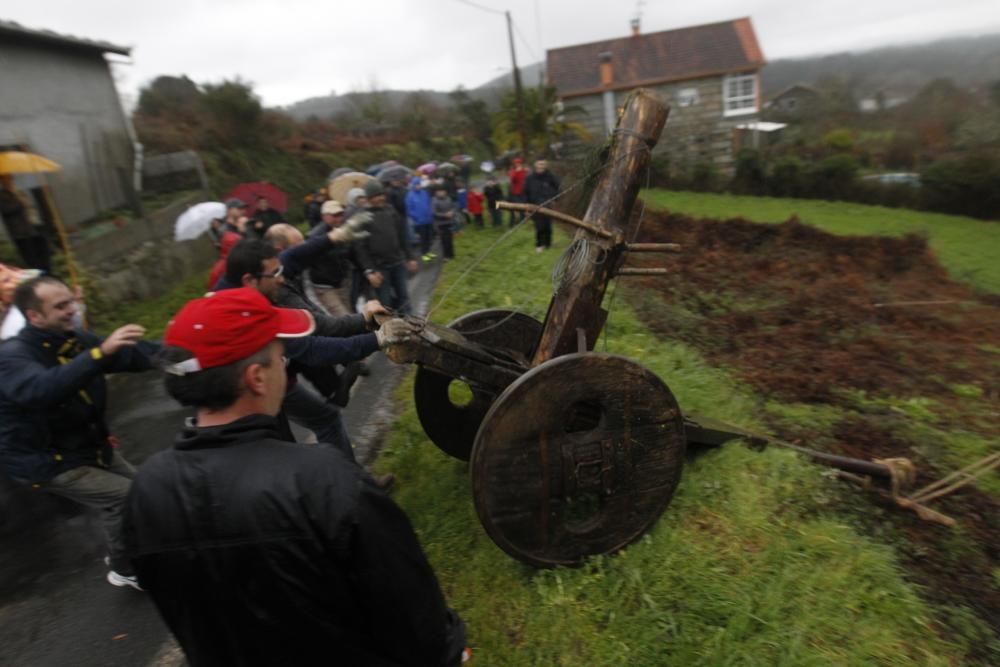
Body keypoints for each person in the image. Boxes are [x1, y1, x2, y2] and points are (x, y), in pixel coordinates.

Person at [125, 288, 467, 666]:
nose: (284, 364)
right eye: (278, 355)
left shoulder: (146, 491)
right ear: (256, 378)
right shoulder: (324, 480)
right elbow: (418, 622)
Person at [0, 275, 156, 589]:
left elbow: (130, 355)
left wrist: (186, 352)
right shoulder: (12, 356)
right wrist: (98, 355)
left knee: (148, 490)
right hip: (48, 460)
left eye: (71, 301)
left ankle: (134, 549)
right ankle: (124, 566)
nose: (72, 309)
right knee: (124, 499)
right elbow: (43, 389)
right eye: (61, 306)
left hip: (87, 444)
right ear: (35, 316)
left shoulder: (73, 339)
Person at [355, 180, 418, 315]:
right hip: (380, 269)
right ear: (369, 198)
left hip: (398, 262)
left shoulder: (391, 210)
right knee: (385, 302)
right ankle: (392, 329)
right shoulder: (362, 218)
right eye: (376, 196)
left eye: (382, 194)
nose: (381, 198)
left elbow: (402, 236)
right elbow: (361, 249)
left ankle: (411, 324)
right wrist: (370, 270)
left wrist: (410, 257)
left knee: (403, 297)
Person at [305, 199, 355, 316]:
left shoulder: (344, 231)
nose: (339, 218)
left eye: (340, 215)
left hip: (342, 282)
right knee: (344, 317)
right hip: (324, 286)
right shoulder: (314, 236)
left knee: (351, 316)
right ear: (324, 216)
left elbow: (350, 253)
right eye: (334, 215)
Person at [0, 174, 51, 273]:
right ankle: (40, 279)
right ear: (2, 181)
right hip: (20, 234)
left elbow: (30, 206)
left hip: (34, 229)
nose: (10, 181)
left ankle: (49, 275)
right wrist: (19, 202)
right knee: (32, 260)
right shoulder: (2, 195)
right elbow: (7, 210)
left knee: (44, 256)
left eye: (11, 178)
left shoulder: (19, 192)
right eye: (7, 179)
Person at [524, 159, 561, 252]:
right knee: (539, 226)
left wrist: (554, 199)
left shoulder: (550, 176)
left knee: (548, 225)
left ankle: (548, 243)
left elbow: (558, 188)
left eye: (543, 164)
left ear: (546, 165)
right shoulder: (530, 178)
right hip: (535, 204)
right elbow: (526, 192)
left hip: (547, 204)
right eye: (539, 164)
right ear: (535, 164)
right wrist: (527, 207)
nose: (541, 166)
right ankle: (539, 244)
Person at [406, 176, 434, 262]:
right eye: (416, 184)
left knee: (429, 237)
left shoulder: (424, 192)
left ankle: (428, 251)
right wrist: (416, 217)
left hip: (428, 220)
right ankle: (424, 254)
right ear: (413, 185)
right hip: (419, 222)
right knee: (423, 238)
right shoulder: (410, 195)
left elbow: (429, 203)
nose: (418, 186)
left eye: (419, 184)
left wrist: (430, 213)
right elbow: (409, 209)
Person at [432, 186, 457, 261]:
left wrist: (452, 212)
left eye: (442, 191)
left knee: (450, 239)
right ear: (436, 193)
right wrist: (445, 215)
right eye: (439, 191)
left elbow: (453, 207)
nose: (441, 193)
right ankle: (446, 256)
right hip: (441, 224)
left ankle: (451, 254)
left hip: (449, 222)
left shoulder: (448, 198)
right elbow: (434, 213)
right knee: (444, 240)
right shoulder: (434, 201)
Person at [507, 157, 528, 227]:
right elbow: (512, 179)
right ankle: (511, 224)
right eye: (516, 163)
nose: (518, 165)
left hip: (523, 192)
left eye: (519, 163)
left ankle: (522, 222)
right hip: (514, 193)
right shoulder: (512, 171)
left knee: (522, 207)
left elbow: (527, 179)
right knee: (514, 208)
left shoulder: (524, 171)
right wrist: (517, 171)